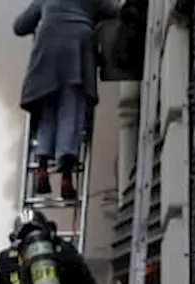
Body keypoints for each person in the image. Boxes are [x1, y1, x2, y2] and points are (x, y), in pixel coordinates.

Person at [14, 0, 120, 200]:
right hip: (78, 48)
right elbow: (116, 11)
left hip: (48, 48)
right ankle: (66, 177)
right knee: (71, 110)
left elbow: (19, 27)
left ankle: (42, 169)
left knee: (47, 110)